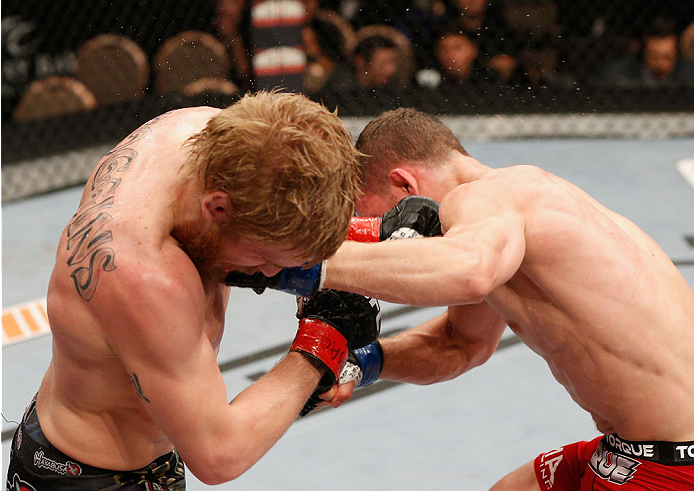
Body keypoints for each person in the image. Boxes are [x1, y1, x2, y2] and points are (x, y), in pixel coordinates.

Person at [226, 107, 694, 489]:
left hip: (673, 464)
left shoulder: (489, 197)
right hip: (638, 451)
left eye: (376, 222)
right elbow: (459, 345)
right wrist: (361, 362)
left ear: (406, 187)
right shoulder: (513, 223)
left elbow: (468, 272)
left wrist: (298, 265)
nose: (383, 242)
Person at [4, 90, 386, 489]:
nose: (272, 274)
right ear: (218, 210)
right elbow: (220, 455)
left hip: (132, 454)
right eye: (264, 259)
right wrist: (324, 337)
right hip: (89, 477)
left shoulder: (208, 139)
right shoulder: (143, 272)